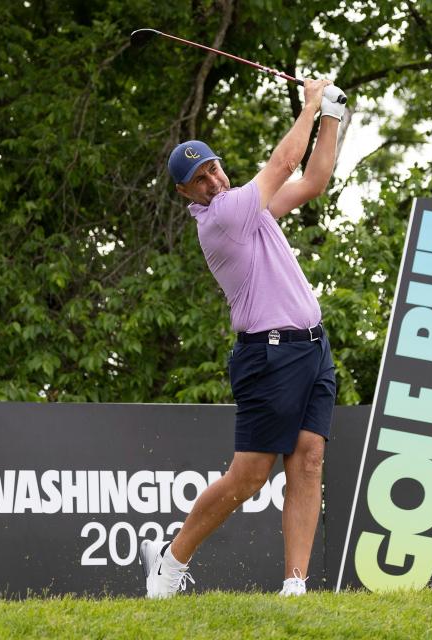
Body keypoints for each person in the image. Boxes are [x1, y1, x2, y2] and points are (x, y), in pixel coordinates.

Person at [139, 78, 345, 598]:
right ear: (186, 193)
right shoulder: (221, 219)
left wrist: (332, 118)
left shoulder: (252, 210)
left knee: (309, 460)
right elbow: (281, 165)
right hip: (270, 356)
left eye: (213, 167)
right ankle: (171, 558)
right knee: (251, 476)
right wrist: (311, 105)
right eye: (199, 178)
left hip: (312, 349)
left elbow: (315, 179)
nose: (212, 180)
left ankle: (295, 585)